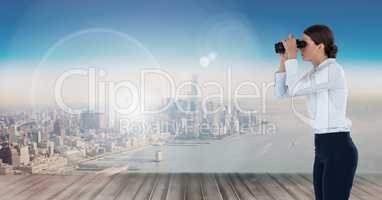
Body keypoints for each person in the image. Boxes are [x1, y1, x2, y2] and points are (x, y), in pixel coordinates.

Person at [273, 24, 358, 200]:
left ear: (320, 47)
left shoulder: (332, 71)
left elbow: (295, 88)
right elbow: (282, 93)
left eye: (304, 43)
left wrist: (292, 57)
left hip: (338, 148)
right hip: (322, 148)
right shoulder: (315, 73)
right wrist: (284, 60)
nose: (299, 47)